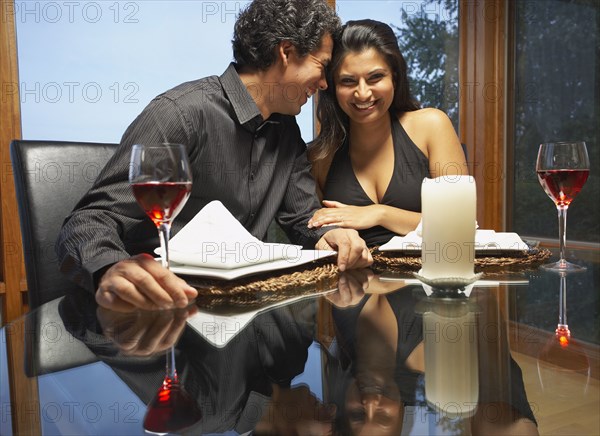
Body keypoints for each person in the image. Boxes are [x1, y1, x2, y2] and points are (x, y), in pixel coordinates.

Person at [56, 0, 372, 313]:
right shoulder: (180, 113)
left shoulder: (287, 133)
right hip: (166, 316)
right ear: (286, 53)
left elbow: (303, 217)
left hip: (244, 311)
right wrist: (110, 269)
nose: (324, 84)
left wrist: (330, 236)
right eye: (321, 65)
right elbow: (89, 220)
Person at [307, 19, 469, 247]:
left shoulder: (432, 126)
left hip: (431, 277)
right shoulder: (320, 156)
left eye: (375, 77)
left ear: (394, 75)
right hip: (353, 279)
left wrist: (379, 213)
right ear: (333, 87)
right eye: (348, 81)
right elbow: (314, 234)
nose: (362, 93)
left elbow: (460, 225)